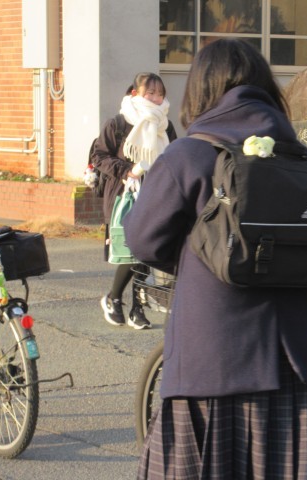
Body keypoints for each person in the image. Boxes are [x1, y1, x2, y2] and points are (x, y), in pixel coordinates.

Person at [124, 39, 307, 479]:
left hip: (212, 358)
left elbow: (143, 239)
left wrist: (201, 254)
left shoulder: (190, 154)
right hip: (294, 360)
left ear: (202, 89)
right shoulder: (296, 153)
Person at [92, 72, 177, 330]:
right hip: (124, 194)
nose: (156, 98)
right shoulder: (118, 123)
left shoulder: (165, 125)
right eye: (150, 92)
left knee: (147, 250)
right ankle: (114, 298)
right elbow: (99, 156)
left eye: (160, 94)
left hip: (155, 193)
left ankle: (137, 308)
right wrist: (127, 170)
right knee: (133, 249)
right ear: (135, 93)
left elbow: (174, 156)